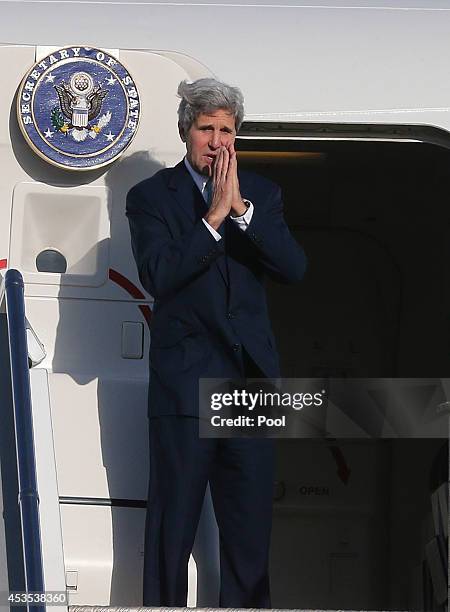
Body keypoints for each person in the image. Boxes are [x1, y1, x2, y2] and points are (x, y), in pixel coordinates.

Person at [126, 77, 307, 608]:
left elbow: (294, 268)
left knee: (249, 538)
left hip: (248, 387)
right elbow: (159, 274)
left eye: (227, 130)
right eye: (207, 128)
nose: (217, 140)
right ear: (186, 131)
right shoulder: (151, 197)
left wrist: (243, 212)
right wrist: (213, 219)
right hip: (185, 384)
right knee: (171, 532)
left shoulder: (263, 196)